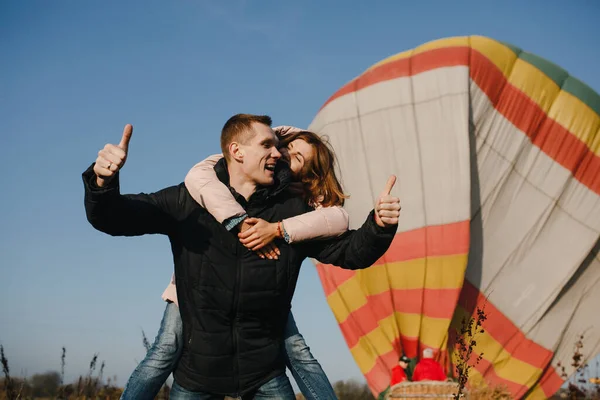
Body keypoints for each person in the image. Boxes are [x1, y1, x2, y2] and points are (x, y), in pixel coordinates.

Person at [83, 114, 400, 399]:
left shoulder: (294, 215)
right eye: (269, 145)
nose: (279, 154)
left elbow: (350, 251)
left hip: (264, 375)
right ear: (236, 151)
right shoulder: (188, 201)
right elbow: (116, 218)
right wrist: (103, 181)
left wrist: (379, 225)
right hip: (197, 376)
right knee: (162, 349)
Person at [122, 127, 352, 400]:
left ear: (308, 174)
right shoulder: (240, 169)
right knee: (165, 349)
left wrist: (278, 229)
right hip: (198, 292)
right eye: (286, 147)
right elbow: (199, 174)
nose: (285, 156)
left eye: (299, 158)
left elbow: (338, 218)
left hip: (262, 298)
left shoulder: (297, 202)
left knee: (298, 351)